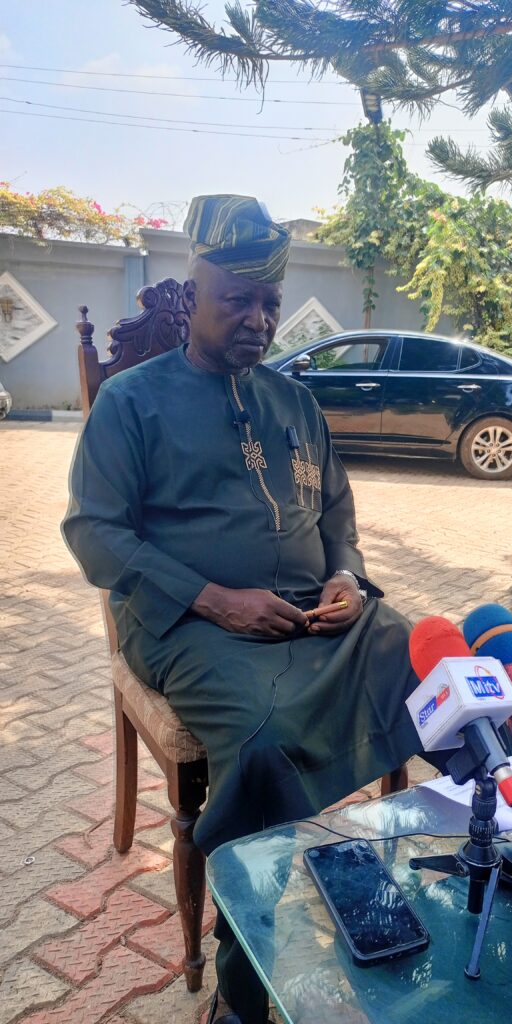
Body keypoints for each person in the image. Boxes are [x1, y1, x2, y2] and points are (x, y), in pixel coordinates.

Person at [62, 194, 427, 1024]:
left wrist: (347, 578)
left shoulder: (294, 402)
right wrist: (215, 599)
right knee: (262, 742)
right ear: (193, 296)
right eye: (238, 301)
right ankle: (243, 979)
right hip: (187, 624)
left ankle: (427, 889)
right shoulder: (132, 401)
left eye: (270, 303)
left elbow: (337, 514)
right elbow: (92, 533)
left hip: (314, 618)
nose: (258, 320)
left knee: (425, 664)